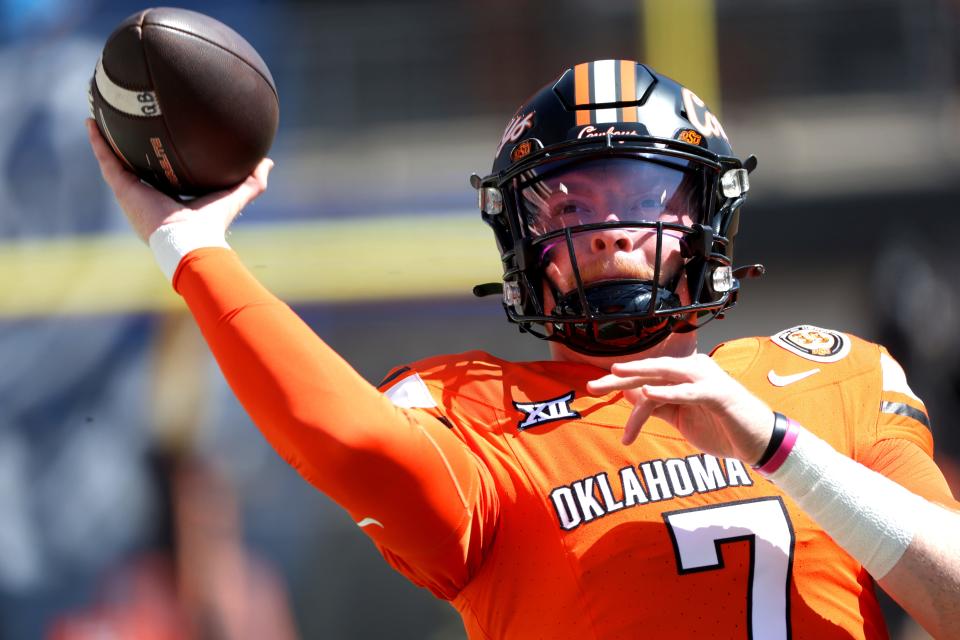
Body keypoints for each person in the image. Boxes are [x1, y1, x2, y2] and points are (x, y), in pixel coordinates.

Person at [88, 60, 960, 639]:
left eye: (644, 195)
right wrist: (191, 248)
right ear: (521, 242)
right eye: (571, 206)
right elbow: (347, 441)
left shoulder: (826, 377)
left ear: (708, 221)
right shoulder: (477, 409)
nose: (613, 230)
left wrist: (776, 445)